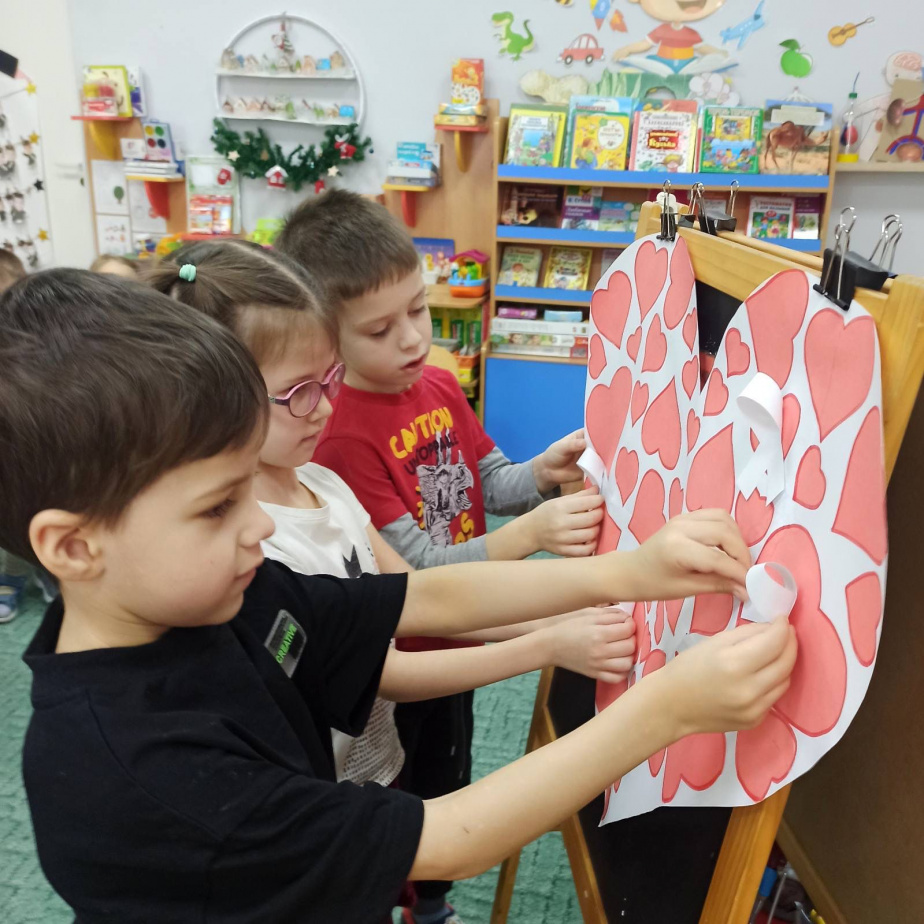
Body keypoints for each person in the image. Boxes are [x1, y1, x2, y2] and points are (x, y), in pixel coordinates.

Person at [1, 268, 796, 924]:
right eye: (217, 507)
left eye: (248, 489)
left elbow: (419, 597)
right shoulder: (136, 770)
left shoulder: (213, 592)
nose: (258, 526)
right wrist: (666, 710)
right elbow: (447, 837)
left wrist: (629, 573)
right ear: (72, 547)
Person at [146, 241, 635, 807]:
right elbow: (386, 668)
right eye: (301, 393)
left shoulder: (322, 483)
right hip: (328, 788)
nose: (326, 408)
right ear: (217, 401)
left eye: (330, 378)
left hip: (377, 750)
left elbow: (422, 592)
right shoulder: (254, 544)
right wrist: (548, 642)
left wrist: (559, 614)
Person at [277, 189, 607, 922]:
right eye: (379, 329)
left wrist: (540, 472)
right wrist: (530, 537)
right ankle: (413, 902)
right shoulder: (338, 436)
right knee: (401, 795)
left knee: (451, 773)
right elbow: (416, 570)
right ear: (325, 341)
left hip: (465, 637)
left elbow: (489, 479)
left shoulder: (436, 384)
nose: (411, 339)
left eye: (418, 310)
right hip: (401, 664)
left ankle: (431, 906)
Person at [0, 248, 55, 621]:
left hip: (41, 447)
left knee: (45, 511)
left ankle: (47, 571)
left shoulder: (39, 333)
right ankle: (13, 578)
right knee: (13, 520)